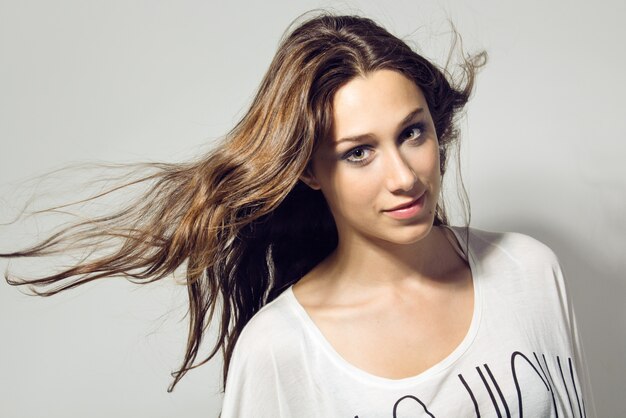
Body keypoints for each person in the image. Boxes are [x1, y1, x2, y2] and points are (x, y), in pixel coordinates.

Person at [2, 12, 594, 417]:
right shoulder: (282, 351)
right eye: (358, 152)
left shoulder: (529, 271)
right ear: (310, 170)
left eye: (412, 133)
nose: (404, 176)